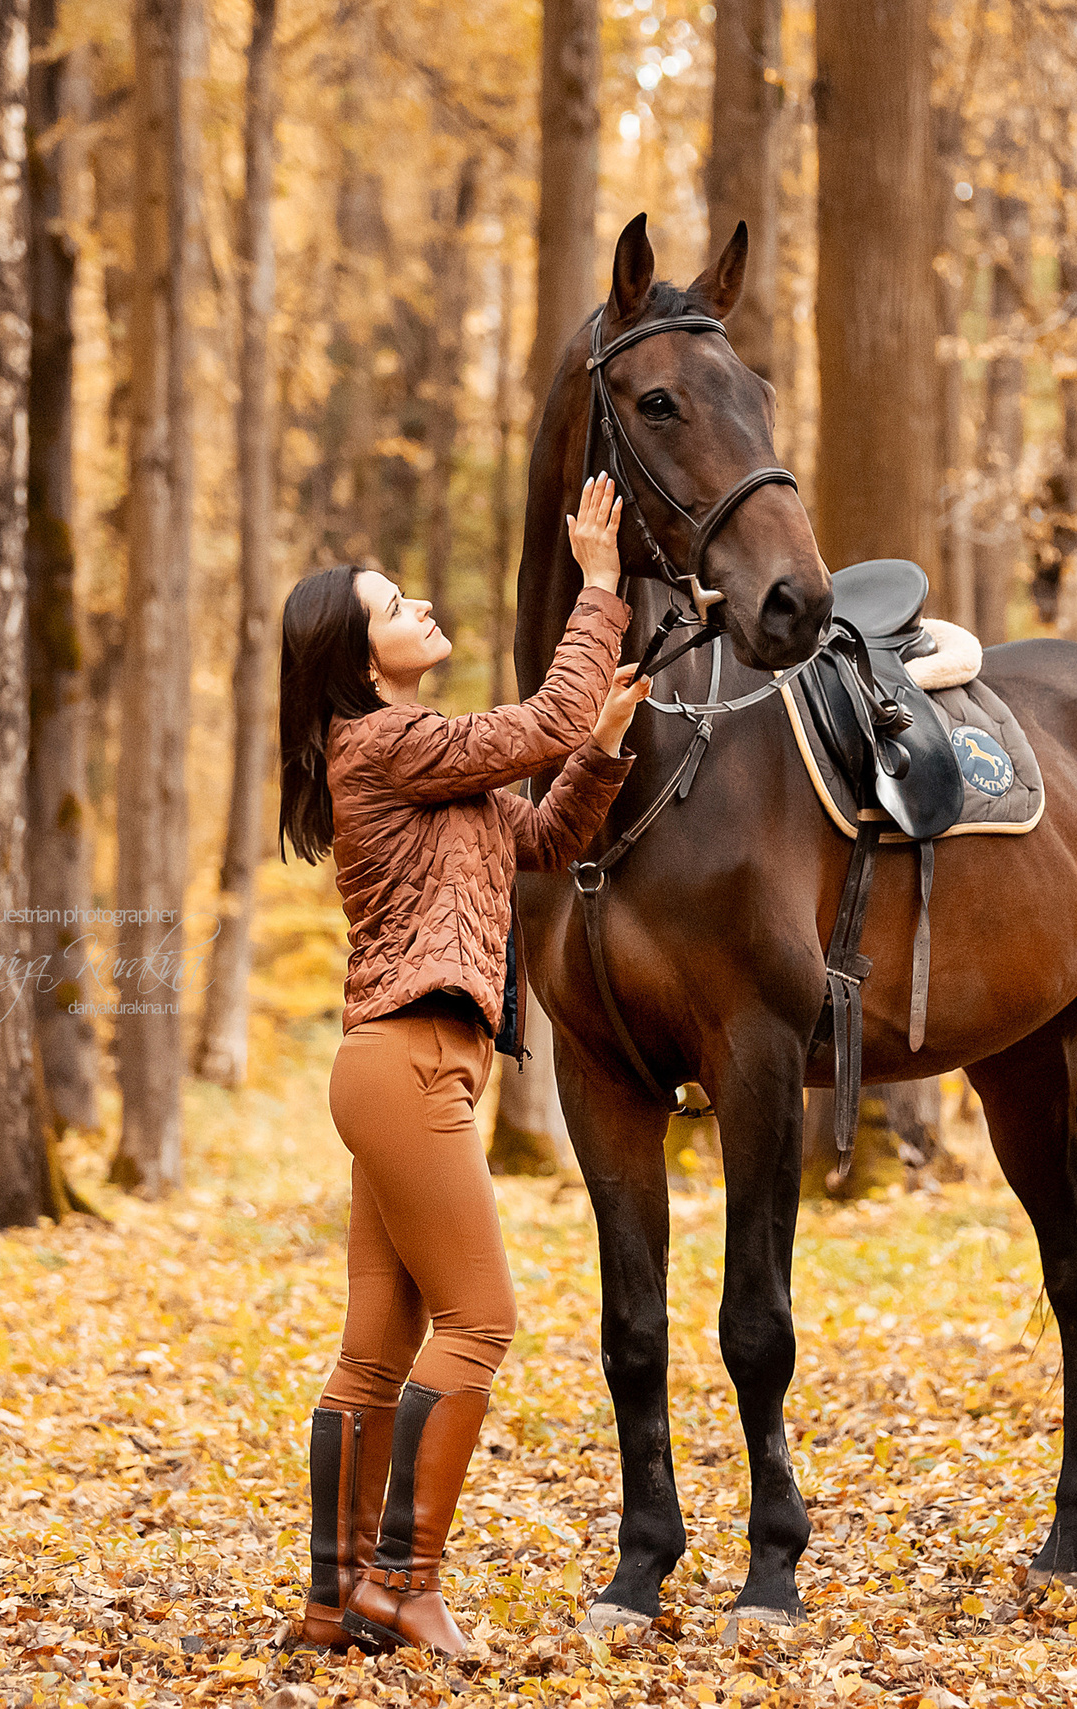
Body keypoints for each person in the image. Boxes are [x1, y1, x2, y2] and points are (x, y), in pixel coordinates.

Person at [274, 473, 650, 1656]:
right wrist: (598, 592)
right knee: (479, 1320)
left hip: (406, 1064)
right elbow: (529, 723)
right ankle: (405, 1576)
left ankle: (337, 1599)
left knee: (378, 1344)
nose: (421, 604)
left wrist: (595, 755)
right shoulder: (382, 741)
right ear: (357, 651)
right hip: (405, 1065)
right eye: (395, 603)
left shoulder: (422, 760)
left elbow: (533, 839)